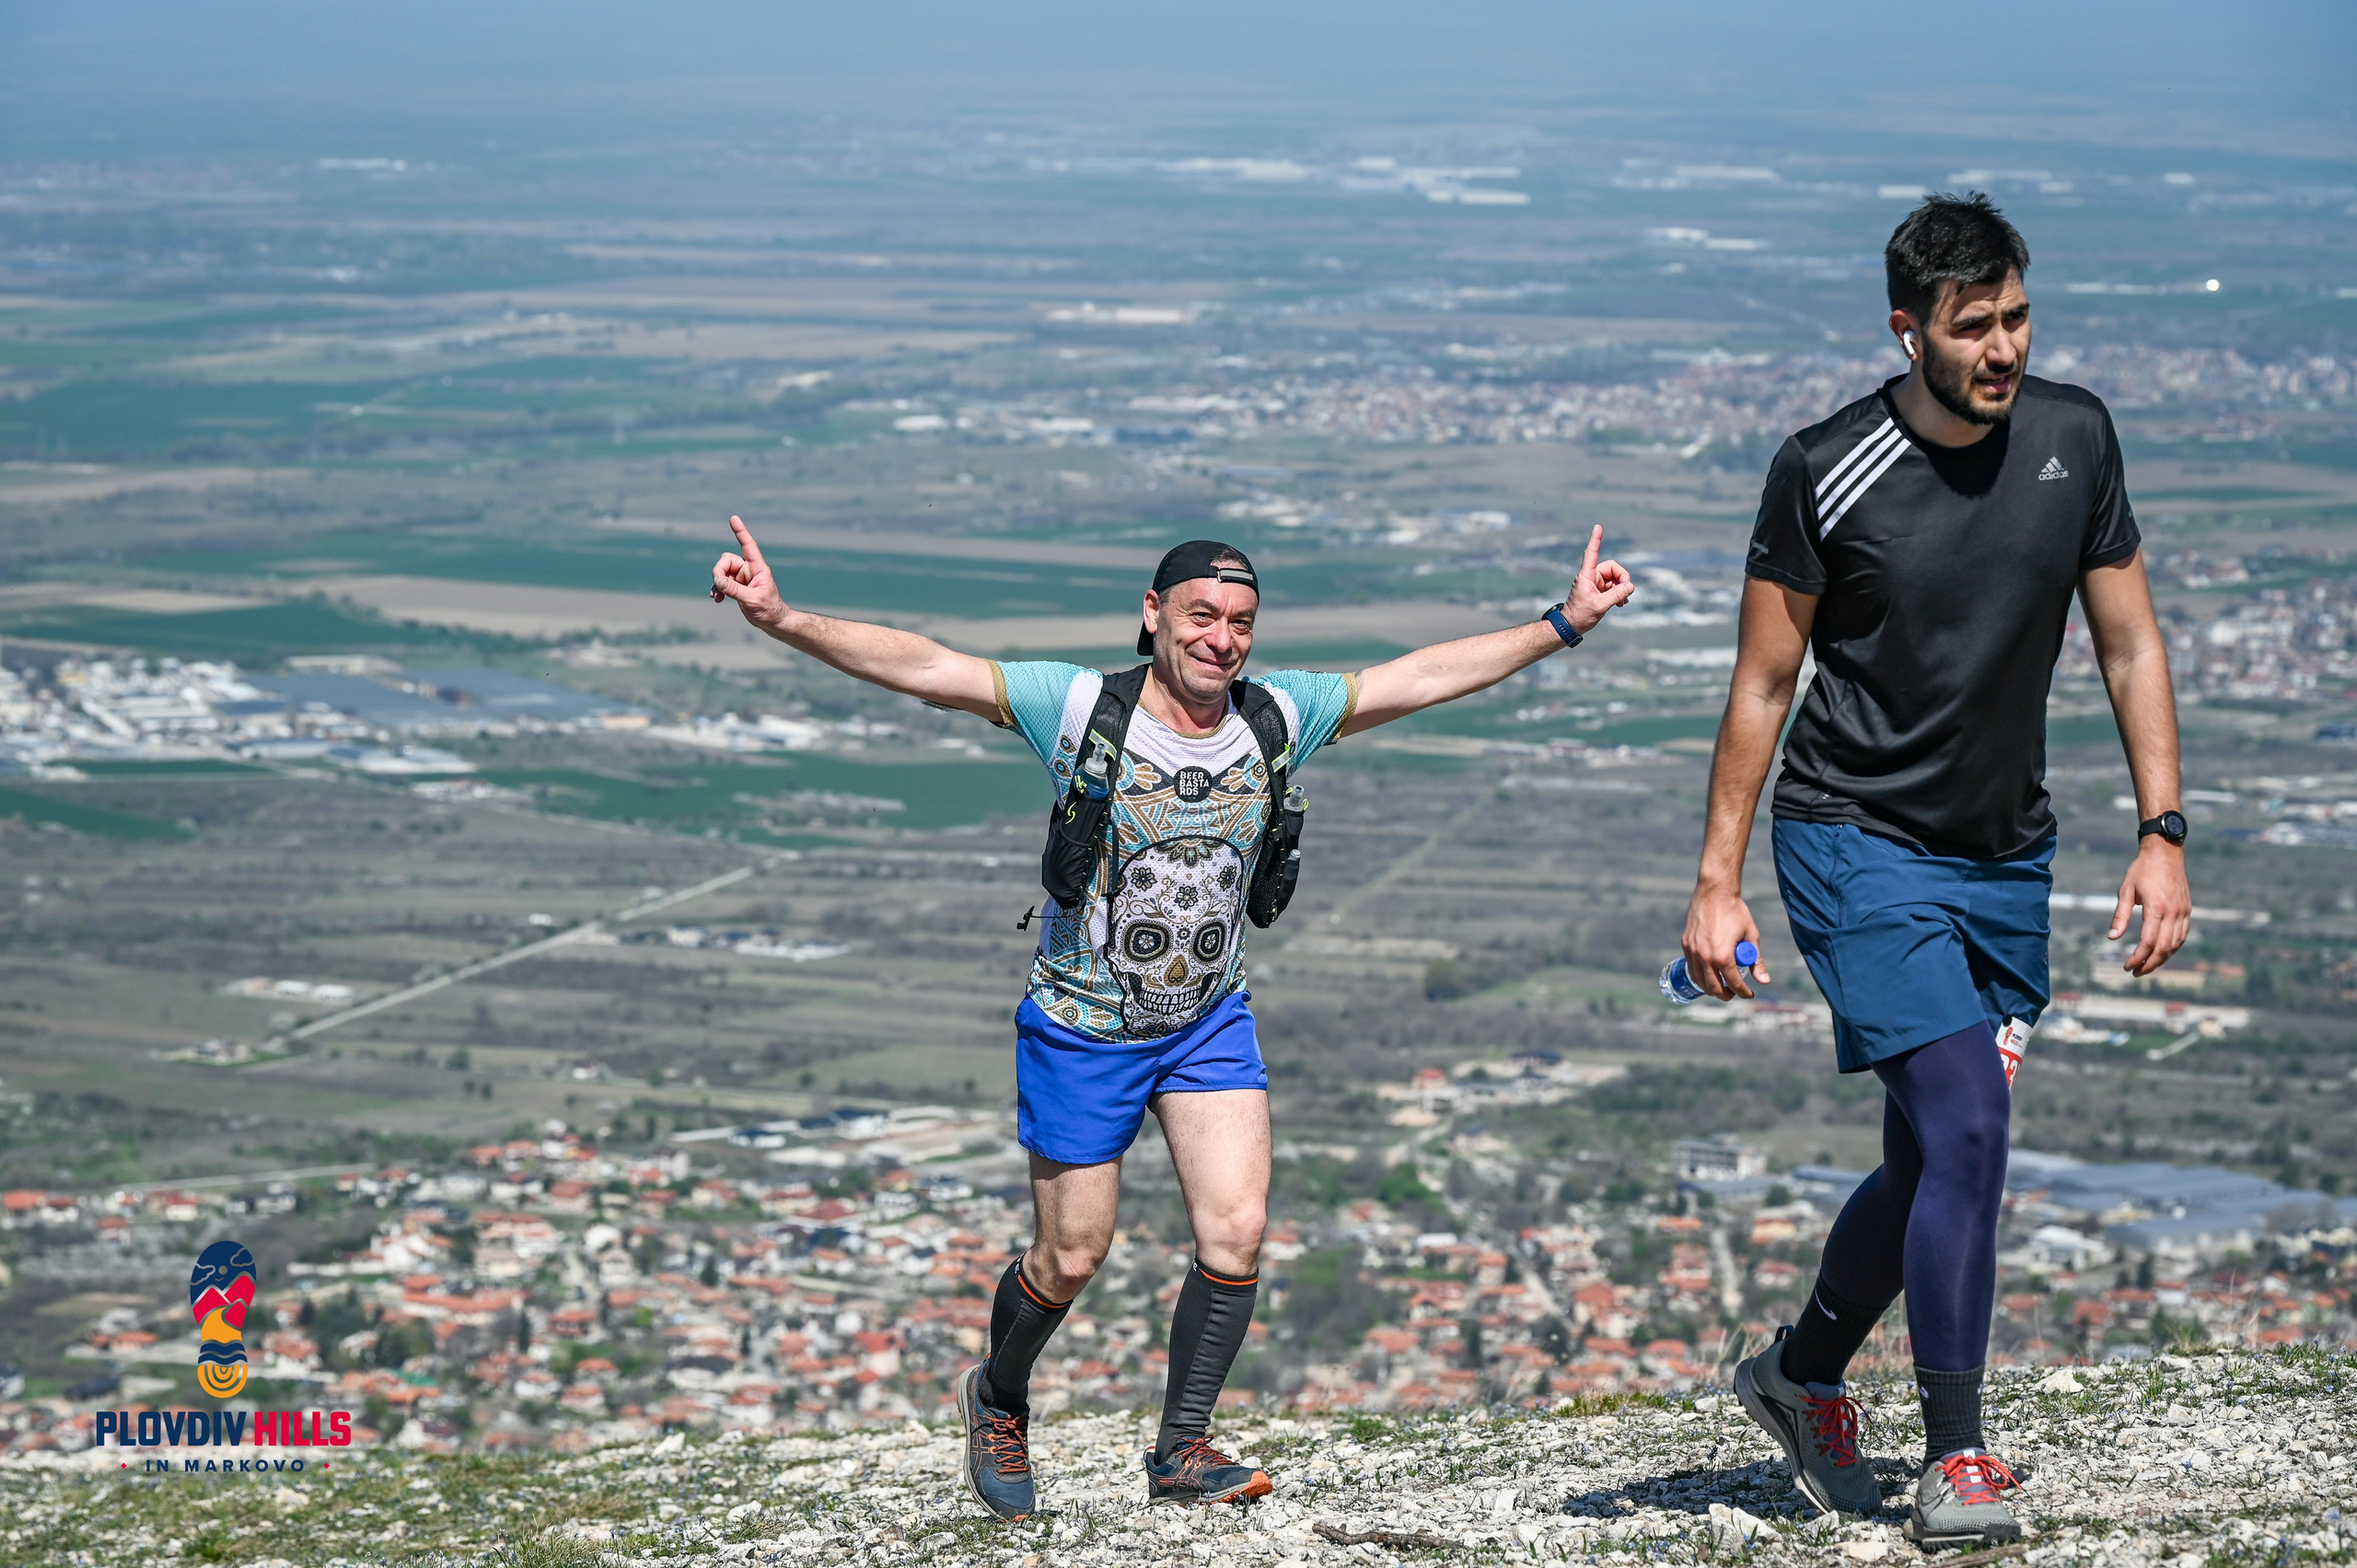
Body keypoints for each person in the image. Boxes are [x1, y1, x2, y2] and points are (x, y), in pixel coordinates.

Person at [712, 519, 1634, 1519]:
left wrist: (1561, 623)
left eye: (1240, 621)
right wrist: (780, 617)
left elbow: (1414, 678)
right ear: (1153, 614)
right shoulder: (1079, 708)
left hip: (1206, 1019)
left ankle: (1181, 1447)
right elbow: (930, 667)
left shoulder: (1279, 715)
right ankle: (1000, 1393)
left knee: (1235, 1230)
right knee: (1071, 1254)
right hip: (1080, 1026)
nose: (1221, 638)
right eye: (1200, 614)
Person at [1680, 192, 2190, 1549]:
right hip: (1853, 839)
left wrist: (2163, 827)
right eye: (1975, 327)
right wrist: (1718, 879)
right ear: (1908, 329)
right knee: (1970, 1125)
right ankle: (1956, 1457)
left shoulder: (2076, 438)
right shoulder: (1824, 466)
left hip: (2005, 857)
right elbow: (1763, 679)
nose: (2004, 348)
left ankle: (1801, 1374)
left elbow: (2130, 643)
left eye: (2018, 316)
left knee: (1927, 1161)